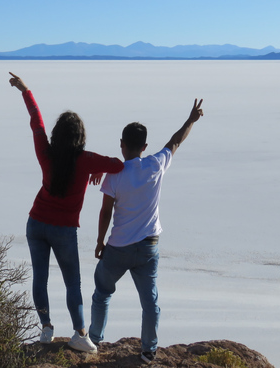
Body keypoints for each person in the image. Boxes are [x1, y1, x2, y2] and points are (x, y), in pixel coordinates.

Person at [9, 72, 124, 353]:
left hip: (36, 223)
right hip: (63, 230)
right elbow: (119, 164)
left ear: (57, 136)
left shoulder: (45, 154)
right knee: (73, 282)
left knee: (40, 278)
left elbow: (37, 122)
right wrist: (97, 169)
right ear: (80, 137)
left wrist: (25, 90)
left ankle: (46, 329)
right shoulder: (85, 160)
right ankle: (80, 334)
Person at [88, 99, 204, 363]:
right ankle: (149, 350)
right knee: (149, 301)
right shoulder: (155, 164)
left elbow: (106, 212)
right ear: (144, 147)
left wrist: (99, 241)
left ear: (122, 144)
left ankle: (94, 339)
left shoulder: (115, 175)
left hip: (118, 247)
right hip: (149, 247)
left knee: (102, 292)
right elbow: (175, 142)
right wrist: (191, 121)